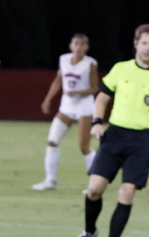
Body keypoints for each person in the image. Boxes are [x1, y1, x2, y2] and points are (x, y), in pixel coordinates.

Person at [70, 24, 149, 237]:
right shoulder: (121, 69)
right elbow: (102, 98)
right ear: (136, 43)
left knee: (127, 193)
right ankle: (88, 231)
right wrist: (96, 121)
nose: (148, 48)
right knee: (94, 189)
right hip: (115, 136)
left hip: (142, 140)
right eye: (144, 43)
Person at [32, 33, 100, 191]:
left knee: (84, 146)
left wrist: (79, 92)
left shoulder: (90, 64)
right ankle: (50, 180)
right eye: (76, 43)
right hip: (67, 107)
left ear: (87, 48)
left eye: (82, 44)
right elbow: (58, 80)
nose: (79, 47)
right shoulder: (63, 59)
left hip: (85, 107)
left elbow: (94, 88)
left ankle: (96, 182)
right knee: (52, 141)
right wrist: (48, 99)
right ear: (71, 46)